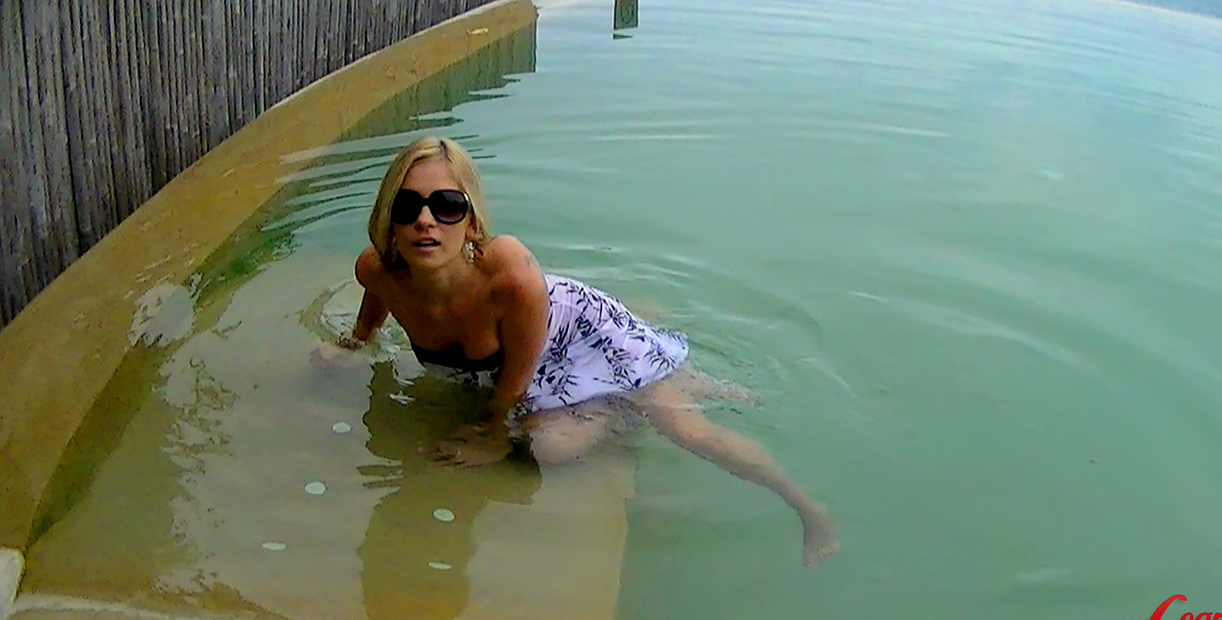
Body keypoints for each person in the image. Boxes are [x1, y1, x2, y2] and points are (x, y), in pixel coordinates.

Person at [324, 136, 838, 569]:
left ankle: (808, 508)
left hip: (580, 332)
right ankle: (640, 386)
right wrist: (352, 346)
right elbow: (375, 310)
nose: (425, 221)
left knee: (679, 431)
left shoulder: (507, 273)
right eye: (407, 207)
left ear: (472, 222)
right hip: (529, 353)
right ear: (389, 220)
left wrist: (493, 434)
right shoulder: (377, 270)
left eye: (447, 206)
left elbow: (513, 386)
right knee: (549, 445)